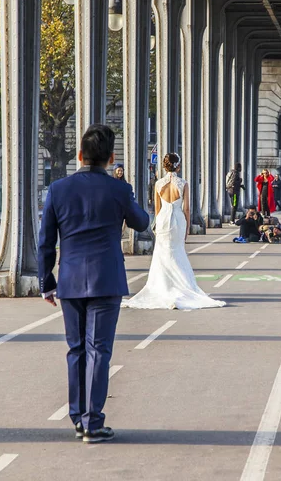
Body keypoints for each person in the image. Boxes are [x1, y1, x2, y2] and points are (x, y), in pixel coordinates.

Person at [38, 124, 149, 443]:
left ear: (79, 155)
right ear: (111, 157)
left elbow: (46, 240)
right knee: (99, 350)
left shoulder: (58, 189)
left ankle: (77, 417)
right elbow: (142, 223)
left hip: (70, 280)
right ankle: (93, 422)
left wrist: (47, 281)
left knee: (76, 348)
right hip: (107, 279)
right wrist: (125, 190)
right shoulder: (118, 189)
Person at [122, 153, 226, 310]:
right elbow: (186, 208)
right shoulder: (183, 183)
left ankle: (162, 286)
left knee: (162, 253)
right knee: (177, 252)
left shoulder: (158, 184)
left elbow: (157, 209)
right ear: (178, 166)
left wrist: (157, 224)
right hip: (177, 219)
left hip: (163, 219)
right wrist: (187, 227)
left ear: (164, 166)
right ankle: (181, 285)